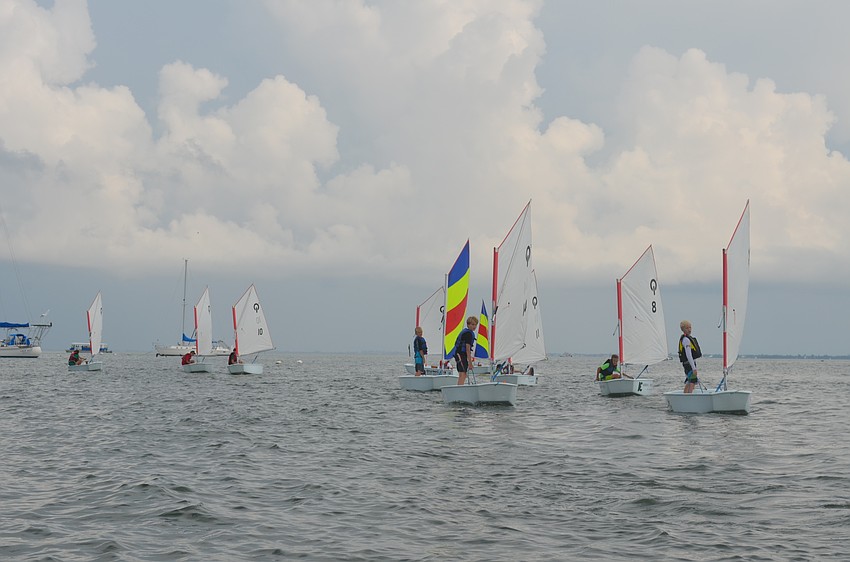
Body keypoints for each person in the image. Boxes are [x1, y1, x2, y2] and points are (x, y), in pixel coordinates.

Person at [453, 316, 479, 386]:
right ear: (468, 325)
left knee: (463, 373)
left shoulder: (468, 332)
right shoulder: (468, 334)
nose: (474, 326)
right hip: (460, 354)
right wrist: (470, 363)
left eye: (475, 325)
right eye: (472, 324)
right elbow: (467, 349)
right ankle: (459, 388)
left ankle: (460, 387)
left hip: (460, 354)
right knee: (463, 373)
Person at [679, 320, 702, 393]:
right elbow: (689, 355)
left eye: (690, 327)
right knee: (692, 382)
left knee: (689, 382)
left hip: (689, 364)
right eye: (687, 328)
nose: (689, 329)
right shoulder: (686, 340)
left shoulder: (688, 338)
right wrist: (694, 368)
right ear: (683, 329)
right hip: (689, 364)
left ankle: (685, 397)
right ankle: (688, 397)